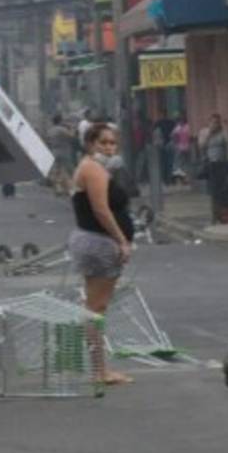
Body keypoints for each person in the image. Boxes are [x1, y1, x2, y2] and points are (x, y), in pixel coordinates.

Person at [69, 123, 134, 386]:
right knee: (96, 309)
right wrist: (121, 240)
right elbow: (101, 209)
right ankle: (100, 370)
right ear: (90, 144)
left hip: (94, 241)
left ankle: (100, 368)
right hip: (99, 243)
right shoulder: (92, 169)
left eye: (112, 143)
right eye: (102, 143)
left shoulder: (94, 167)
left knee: (95, 308)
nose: (108, 148)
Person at [172, 115, 192, 183]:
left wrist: (176, 144)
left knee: (182, 164)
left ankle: (184, 178)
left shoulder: (179, 127)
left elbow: (173, 136)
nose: (180, 122)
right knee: (184, 164)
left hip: (182, 148)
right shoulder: (187, 127)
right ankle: (184, 179)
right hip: (184, 147)